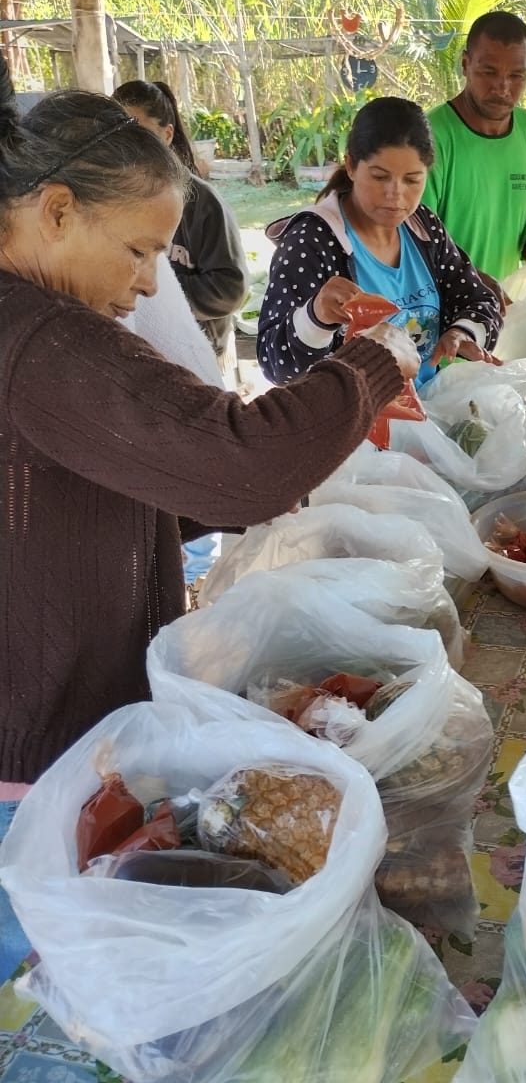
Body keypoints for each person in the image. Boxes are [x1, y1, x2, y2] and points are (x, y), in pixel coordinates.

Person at [0, 66, 419, 981]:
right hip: (33, 760)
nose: (148, 285)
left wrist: (268, 482)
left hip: (42, 737)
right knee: (64, 989)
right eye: (138, 251)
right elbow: (240, 461)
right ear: (57, 212)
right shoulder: (42, 336)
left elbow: (103, 478)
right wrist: (373, 364)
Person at [257, 95, 503, 389]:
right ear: (351, 165)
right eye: (380, 177)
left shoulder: (423, 228)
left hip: (427, 410)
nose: (395, 195)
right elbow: (275, 365)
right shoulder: (311, 243)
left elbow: (479, 299)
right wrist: (316, 317)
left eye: (412, 180)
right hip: (354, 417)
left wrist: (463, 332)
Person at [421, 11, 526, 284]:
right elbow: (418, 236)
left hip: (507, 302)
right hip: (444, 302)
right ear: (465, 64)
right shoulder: (430, 136)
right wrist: (475, 285)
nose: (502, 87)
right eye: (489, 72)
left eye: (516, 75)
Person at [112, 79, 249, 375]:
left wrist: (161, 297)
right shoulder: (109, 201)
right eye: (119, 136)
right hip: (141, 357)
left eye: (142, 135)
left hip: (197, 350)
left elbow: (230, 289)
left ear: (167, 134)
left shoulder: (203, 204)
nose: (131, 149)